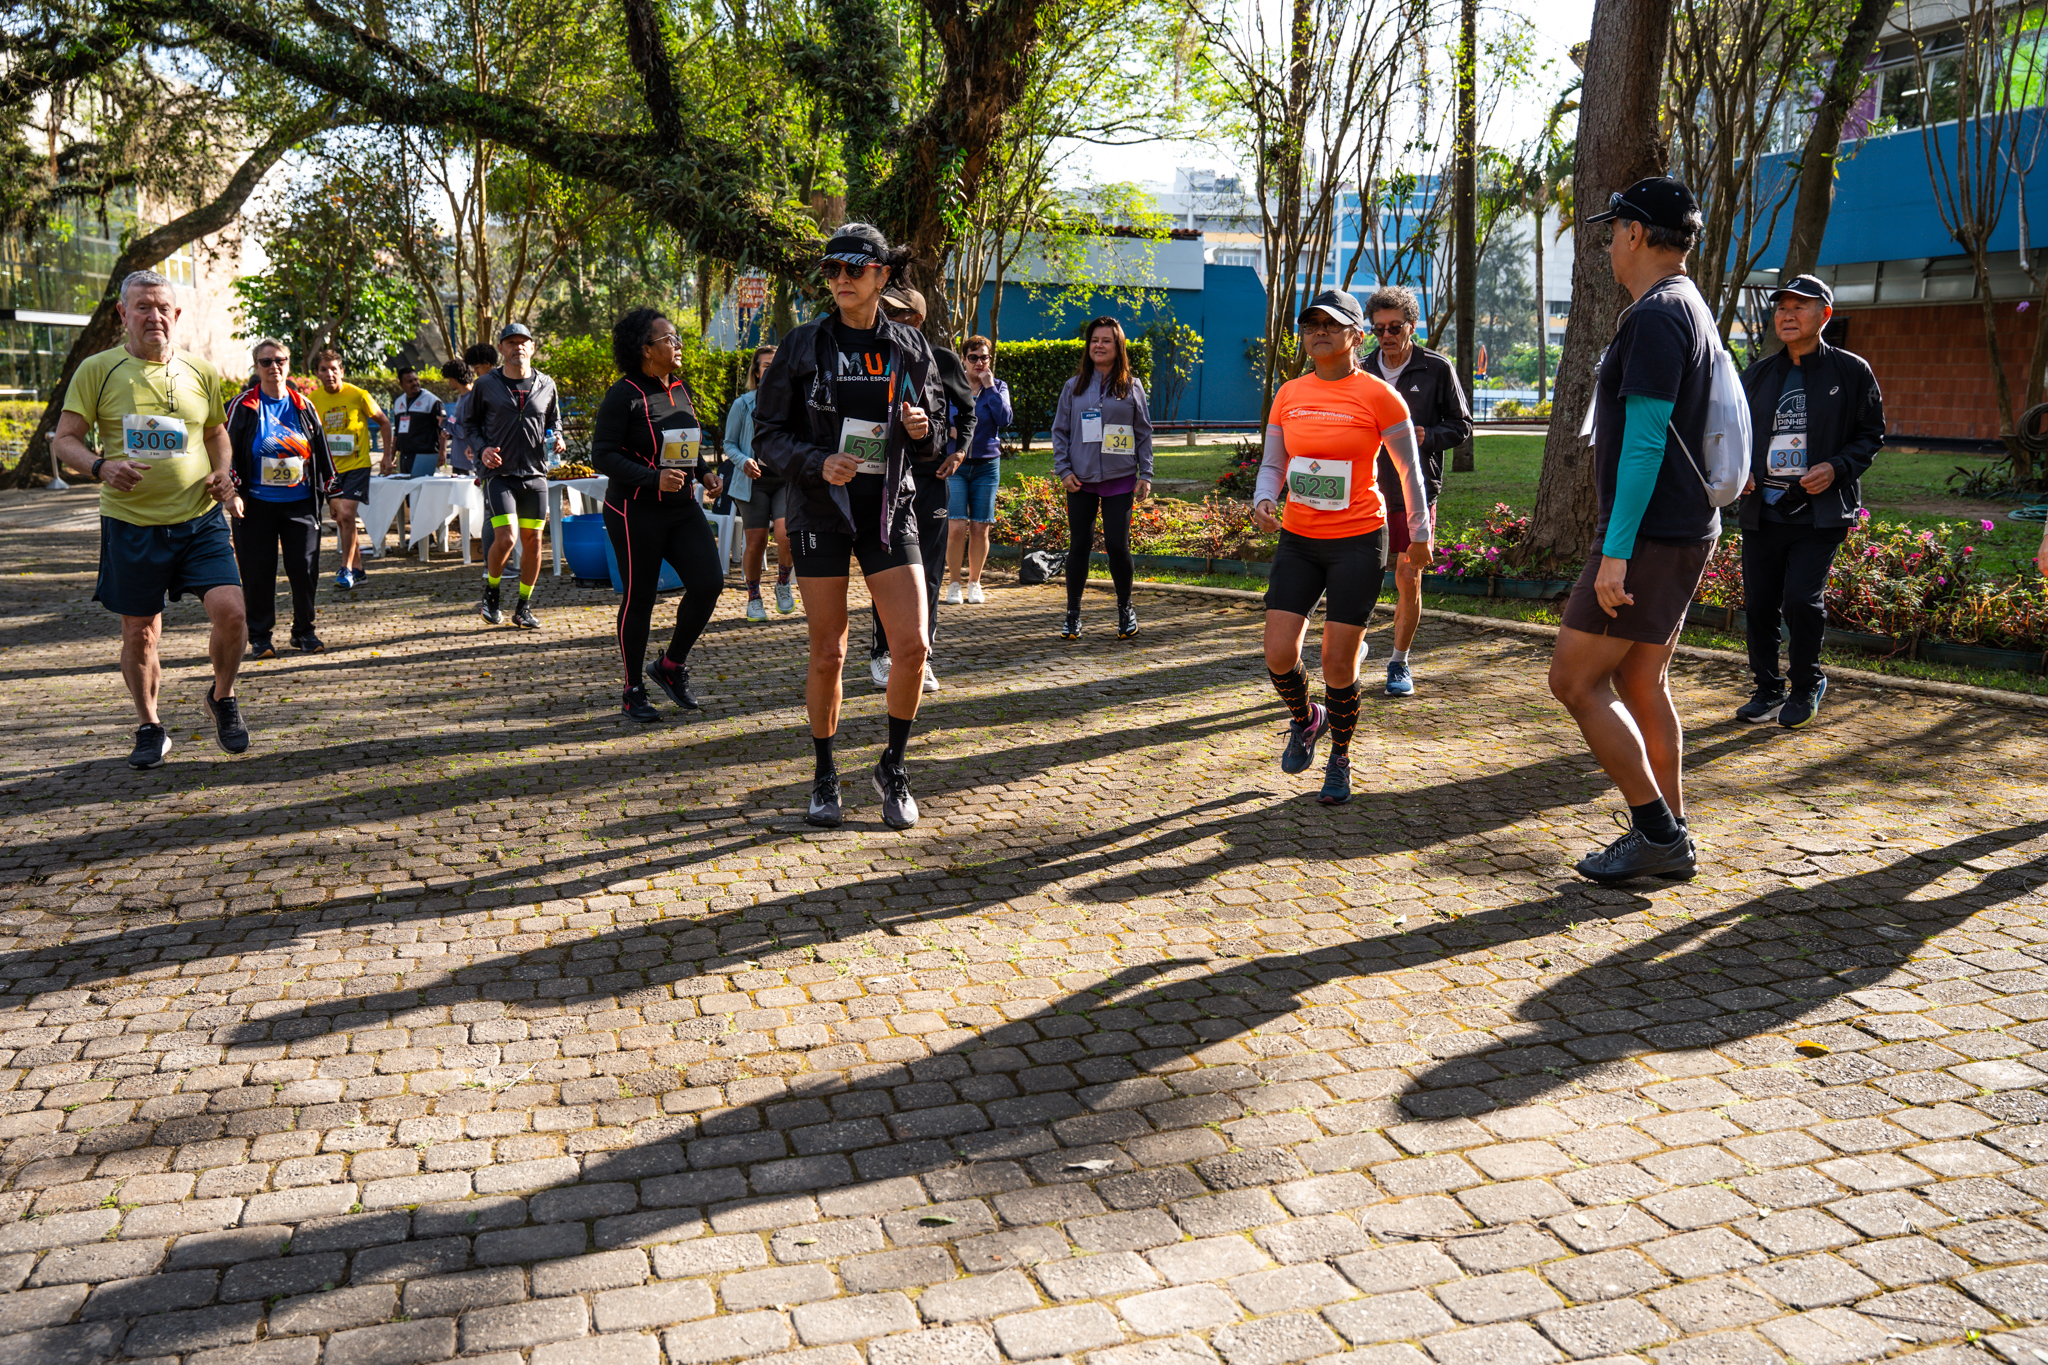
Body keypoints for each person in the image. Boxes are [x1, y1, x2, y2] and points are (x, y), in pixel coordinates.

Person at [1549, 175, 1721, 885]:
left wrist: (1615, 552)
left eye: (1614, 230)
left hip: (1648, 533)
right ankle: (1670, 832)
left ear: (1636, 233)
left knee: (1574, 680)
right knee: (1642, 679)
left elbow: (1647, 442)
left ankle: (1656, 833)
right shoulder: (1687, 303)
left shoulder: (1656, 315)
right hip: (1681, 525)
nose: (1610, 245)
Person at [754, 222, 946, 831]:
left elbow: (938, 431)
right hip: (820, 511)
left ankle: (893, 765)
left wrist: (923, 431)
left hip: (889, 509)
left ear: (881, 275)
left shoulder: (909, 347)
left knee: (913, 646)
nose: (840, 279)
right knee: (829, 653)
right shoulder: (802, 345)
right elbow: (767, 436)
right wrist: (817, 462)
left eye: (853, 269)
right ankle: (824, 773)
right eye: (832, 269)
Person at [50, 268, 249, 767]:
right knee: (140, 631)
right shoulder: (98, 369)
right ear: (123, 313)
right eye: (143, 307)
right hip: (131, 523)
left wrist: (223, 473)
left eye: (162, 307)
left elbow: (215, 433)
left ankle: (222, 696)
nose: (154, 316)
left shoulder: (201, 371)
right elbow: (65, 440)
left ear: (176, 314)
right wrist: (101, 467)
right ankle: (150, 726)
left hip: (200, 519)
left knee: (232, 613)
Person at [1251, 289, 1431, 806]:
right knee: (1278, 652)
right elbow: (1274, 463)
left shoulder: (1379, 396)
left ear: (1356, 335)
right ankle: (1308, 717)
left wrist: (1420, 534)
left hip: (1358, 539)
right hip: (1300, 539)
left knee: (1337, 662)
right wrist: (1264, 498)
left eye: (1331, 325)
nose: (1319, 333)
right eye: (1311, 326)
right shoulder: (1289, 394)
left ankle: (1341, 758)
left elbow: (1409, 470)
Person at [1735, 275, 1885, 729]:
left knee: (1801, 600)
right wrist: (1739, 471)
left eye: (1799, 306)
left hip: (1819, 513)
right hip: (1764, 509)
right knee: (1759, 604)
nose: (1787, 315)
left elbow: (1870, 435)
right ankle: (1767, 690)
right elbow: (1732, 435)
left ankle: (1805, 684)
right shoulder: (1758, 375)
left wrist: (1837, 467)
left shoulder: (1852, 371)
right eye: (1782, 307)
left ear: (1824, 315)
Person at [589, 309, 728, 723]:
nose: (678, 344)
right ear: (646, 350)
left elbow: (684, 444)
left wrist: (703, 473)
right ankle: (632, 689)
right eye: (669, 338)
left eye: (677, 337)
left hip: (682, 508)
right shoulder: (623, 394)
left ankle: (670, 665)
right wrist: (653, 479)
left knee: (709, 584)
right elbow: (602, 455)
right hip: (634, 510)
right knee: (641, 599)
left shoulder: (680, 388)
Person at [1361, 285, 1472, 696]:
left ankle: (1398, 662)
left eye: (1394, 327)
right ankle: (1354, 645)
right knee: (1360, 575)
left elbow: (1462, 426)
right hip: (1366, 490)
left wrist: (1429, 436)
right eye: (1378, 329)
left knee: (1408, 576)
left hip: (1416, 490)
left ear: (1411, 325)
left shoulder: (1436, 368)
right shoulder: (1360, 369)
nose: (1386, 336)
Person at [868, 285, 967, 692]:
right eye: (885, 311)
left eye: (897, 313)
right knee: (887, 570)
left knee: (928, 572)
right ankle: (882, 652)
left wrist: (959, 452)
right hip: (885, 479)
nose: (888, 319)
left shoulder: (942, 359)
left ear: (918, 319)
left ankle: (922, 657)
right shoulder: (871, 357)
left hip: (930, 480)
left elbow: (968, 411)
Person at [227, 337, 336, 659]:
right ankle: (260, 636)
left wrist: (334, 492)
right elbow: (225, 451)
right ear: (256, 366)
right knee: (258, 572)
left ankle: (304, 631)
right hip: (254, 504)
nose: (274, 367)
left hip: (300, 503)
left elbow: (321, 451)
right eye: (266, 362)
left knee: (305, 569)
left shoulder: (304, 405)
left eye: (280, 361)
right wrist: (231, 492)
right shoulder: (242, 405)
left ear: (289, 365)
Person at [1051, 317, 1154, 640]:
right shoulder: (1074, 386)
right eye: (1094, 340)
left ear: (1118, 346)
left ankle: (1125, 609)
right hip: (1080, 480)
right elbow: (1060, 431)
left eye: (1106, 340)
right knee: (1079, 546)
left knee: (1116, 546)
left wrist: (1146, 473)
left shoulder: (1132, 386)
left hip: (1120, 479)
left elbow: (1143, 432)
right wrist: (1064, 470)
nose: (1099, 345)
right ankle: (1072, 615)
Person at [465, 322, 564, 628]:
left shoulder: (547, 384)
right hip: (500, 474)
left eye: (523, 342)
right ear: (501, 349)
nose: (517, 346)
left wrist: (558, 437)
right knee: (507, 537)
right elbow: (470, 425)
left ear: (532, 347)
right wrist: (482, 449)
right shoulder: (486, 384)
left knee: (533, 540)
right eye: (511, 342)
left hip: (535, 474)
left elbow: (554, 421)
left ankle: (523, 607)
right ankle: (492, 592)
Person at [308, 349, 394, 589]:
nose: (329, 374)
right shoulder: (313, 400)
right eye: (324, 369)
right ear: (317, 373)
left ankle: (345, 569)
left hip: (357, 465)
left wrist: (387, 456)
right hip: (330, 469)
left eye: (334, 369)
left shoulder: (359, 395)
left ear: (342, 371)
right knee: (341, 518)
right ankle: (358, 569)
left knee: (346, 514)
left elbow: (384, 423)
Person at [725, 344, 798, 621]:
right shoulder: (743, 404)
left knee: (786, 535)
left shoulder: (794, 401)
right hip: (750, 483)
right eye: (766, 365)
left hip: (784, 481)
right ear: (756, 372)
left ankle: (783, 583)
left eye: (777, 365)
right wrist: (744, 460)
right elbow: (729, 443)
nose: (772, 370)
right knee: (755, 543)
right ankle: (754, 597)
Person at [945, 335, 1010, 604]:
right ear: (963, 359)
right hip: (955, 464)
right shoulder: (951, 385)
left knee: (981, 527)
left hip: (986, 465)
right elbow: (937, 417)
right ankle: (954, 583)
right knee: (956, 525)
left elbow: (1004, 419)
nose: (979, 362)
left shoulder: (998, 386)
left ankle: (975, 582)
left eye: (984, 357)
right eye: (973, 358)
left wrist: (990, 386)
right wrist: (951, 432)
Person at [389, 363, 445, 478]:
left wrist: (442, 451)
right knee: (406, 487)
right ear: (401, 385)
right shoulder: (399, 402)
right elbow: (397, 432)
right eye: (410, 381)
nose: (415, 383)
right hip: (405, 456)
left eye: (416, 379)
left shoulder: (431, 401)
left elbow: (443, 429)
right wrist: (392, 453)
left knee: (422, 487)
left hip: (425, 455)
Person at [439, 359, 476, 474]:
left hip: (468, 463)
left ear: (455, 378)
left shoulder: (471, 399)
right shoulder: (462, 398)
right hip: (459, 461)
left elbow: (467, 432)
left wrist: (444, 424)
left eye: (449, 379)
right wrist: (449, 433)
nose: (449, 382)